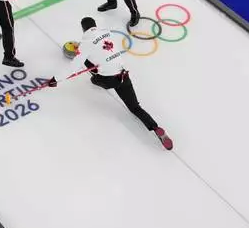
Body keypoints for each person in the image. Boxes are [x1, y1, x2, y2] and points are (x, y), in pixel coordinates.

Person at [47, 18, 173, 150]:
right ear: (95, 25)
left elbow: (74, 67)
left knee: (88, 67)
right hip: (124, 76)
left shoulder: (86, 43)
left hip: (107, 80)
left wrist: (55, 79)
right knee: (135, 108)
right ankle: (155, 127)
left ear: (83, 29)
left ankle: (95, 80)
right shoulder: (108, 33)